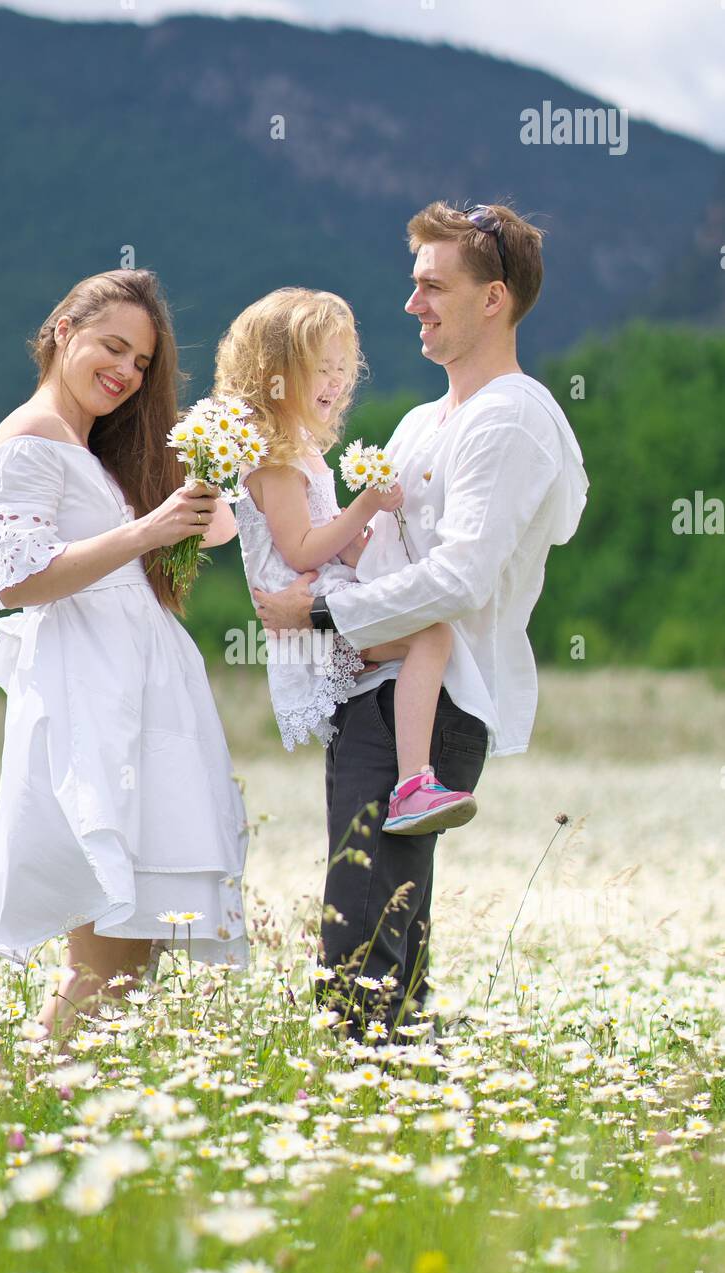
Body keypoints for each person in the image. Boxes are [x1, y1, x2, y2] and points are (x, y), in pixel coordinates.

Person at [252, 202, 589, 1042]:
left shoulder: (511, 417)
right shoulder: (417, 423)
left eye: (434, 286)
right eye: (412, 285)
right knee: (380, 932)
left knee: (361, 934)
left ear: (494, 299)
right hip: (376, 685)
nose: (412, 304)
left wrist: (322, 610)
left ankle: (353, 1109)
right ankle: (393, 1113)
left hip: (436, 699)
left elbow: (461, 578)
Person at [0, 268, 249, 1057]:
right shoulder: (29, 438)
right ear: (64, 328)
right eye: (113, 347)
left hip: (141, 686)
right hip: (91, 691)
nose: (125, 373)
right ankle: (5, 1092)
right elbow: (19, 577)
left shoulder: (94, 448)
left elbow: (221, 528)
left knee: (135, 950)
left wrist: (210, 459)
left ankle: (34, 1094)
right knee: (108, 941)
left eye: (140, 364)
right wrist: (146, 531)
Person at [217, 287, 478, 836]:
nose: (336, 382)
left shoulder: (301, 451)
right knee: (431, 637)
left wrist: (368, 548)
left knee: (424, 635)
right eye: (320, 369)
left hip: (323, 600)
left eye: (343, 369)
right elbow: (302, 549)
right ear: (275, 373)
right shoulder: (274, 459)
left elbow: (328, 541)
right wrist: (365, 507)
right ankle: (413, 785)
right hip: (310, 609)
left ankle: (412, 781)